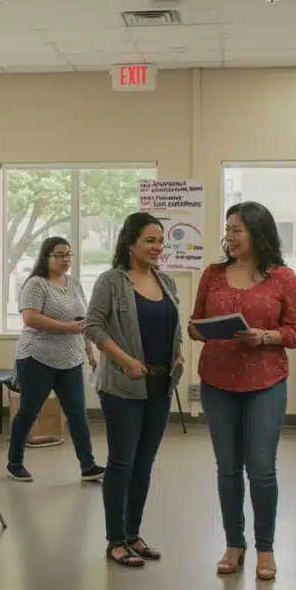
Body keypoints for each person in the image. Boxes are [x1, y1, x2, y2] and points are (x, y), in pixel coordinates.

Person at [189, 202, 296, 581]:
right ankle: (233, 543)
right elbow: (195, 324)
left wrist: (265, 336)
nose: (230, 236)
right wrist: (200, 329)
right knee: (227, 468)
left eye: (237, 230)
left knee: (261, 469)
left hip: (265, 381)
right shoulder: (213, 274)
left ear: (258, 233)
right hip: (217, 380)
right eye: (228, 229)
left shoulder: (283, 278)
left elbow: (295, 331)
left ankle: (266, 548)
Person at [85, 212, 184, 569]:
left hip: (160, 385)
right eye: (150, 240)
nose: (157, 247)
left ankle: (132, 533)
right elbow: (93, 326)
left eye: (160, 241)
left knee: (144, 463)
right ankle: (115, 539)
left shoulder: (167, 282)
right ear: (130, 243)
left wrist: (178, 352)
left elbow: (173, 325)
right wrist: (124, 359)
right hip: (122, 387)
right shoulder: (111, 281)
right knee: (122, 462)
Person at [6, 237, 103, 483]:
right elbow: (31, 318)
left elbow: (83, 321)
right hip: (37, 357)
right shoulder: (36, 284)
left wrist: (90, 352)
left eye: (68, 255)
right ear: (46, 257)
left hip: (70, 359)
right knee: (29, 411)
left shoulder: (75, 284)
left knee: (78, 414)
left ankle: (88, 466)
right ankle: (14, 462)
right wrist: (68, 327)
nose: (65, 260)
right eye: (59, 255)